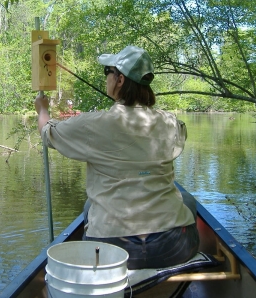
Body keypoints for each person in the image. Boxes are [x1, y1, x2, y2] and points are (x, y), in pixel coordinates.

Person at [34, 45, 199, 269]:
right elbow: (179, 132)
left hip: (111, 251)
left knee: (89, 206)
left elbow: (47, 133)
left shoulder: (92, 125)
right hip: (173, 247)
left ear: (120, 80)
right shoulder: (171, 122)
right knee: (186, 199)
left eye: (107, 72)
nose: (107, 78)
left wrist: (42, 109)